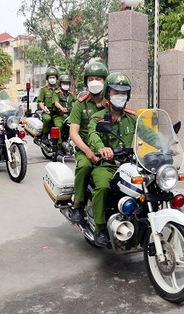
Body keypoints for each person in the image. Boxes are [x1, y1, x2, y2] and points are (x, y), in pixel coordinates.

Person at [87, 72, 146, 247]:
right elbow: (92, 134)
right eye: (116, 92)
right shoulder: (98, 117)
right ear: (108, 94)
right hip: (106, 165)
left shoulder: (133, 117)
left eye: (123, 93)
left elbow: (147, 133)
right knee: (103, 188)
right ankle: (99, 228)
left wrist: (166, 144)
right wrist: (102, 148)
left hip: (129, 164)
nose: (120, 96)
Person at [68, 61, 109, 224]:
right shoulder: (80, 104)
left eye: (99, 79)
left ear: (105, 82)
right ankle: (77, 204)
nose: (95, 82)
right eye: (91, 79)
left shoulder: (111, 102)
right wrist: (87, 151)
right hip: (85, 147)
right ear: (86, 82)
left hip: (108, 147)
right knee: (84, 166)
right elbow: (73, 133)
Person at [38, 67, 67, 146]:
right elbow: (40, 102)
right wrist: (44, 109)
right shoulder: (44, 90)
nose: (52, 79)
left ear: (56, 78)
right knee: (47, 119)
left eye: (53, 77)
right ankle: (44, 136)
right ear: (47, 78)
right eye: (50, 77)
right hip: (48, 111)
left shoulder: (60, 89)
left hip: (58, 112)